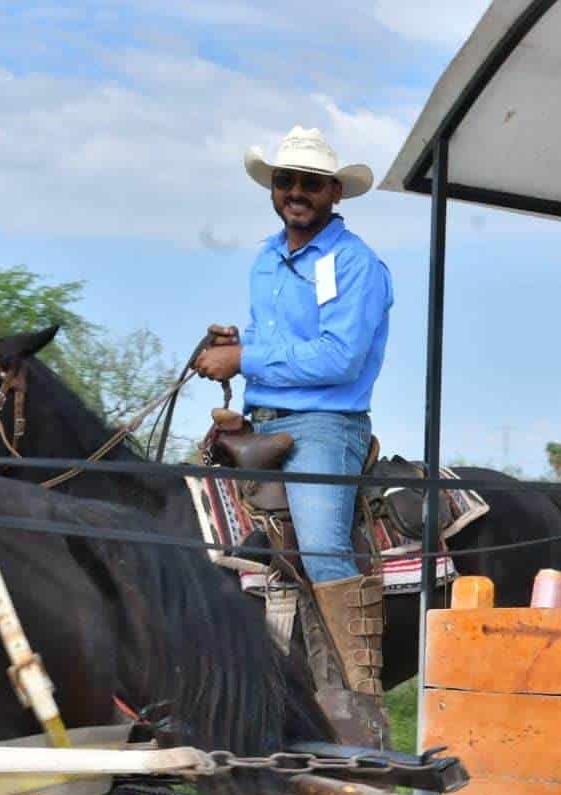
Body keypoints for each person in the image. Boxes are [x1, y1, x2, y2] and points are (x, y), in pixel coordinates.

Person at [194, 126, 393, 744]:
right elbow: (273, 341)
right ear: (274, 188)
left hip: (327, 425)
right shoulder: (263, 259)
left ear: (335, 192)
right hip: (264, 420)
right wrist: (235, 348)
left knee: (320, 547)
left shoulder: (358, 265)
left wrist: (245, 358)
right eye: (286, 181)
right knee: (189, 516)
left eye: (310, 183)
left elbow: (340, 359)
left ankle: (361, 706)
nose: (296, 193)